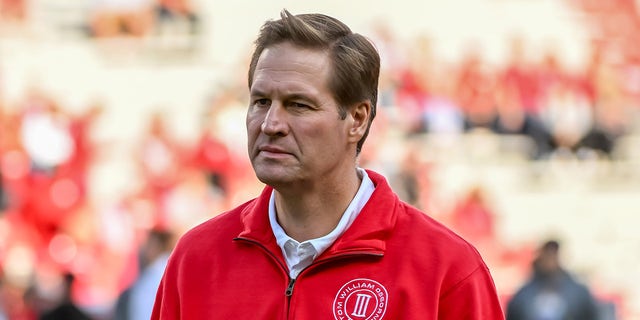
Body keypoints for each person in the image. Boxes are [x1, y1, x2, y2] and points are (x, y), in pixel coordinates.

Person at [152, 9, 503, 319]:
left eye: (298, 105)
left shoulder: (446, 270)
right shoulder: (195, 259)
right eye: (260, 101)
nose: (271, 124)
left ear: (357, 120)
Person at [506, 239, 600, 320]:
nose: (550, 261)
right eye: (547, 255)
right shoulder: (524, 295)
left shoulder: (578, 292)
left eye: (553, 254)